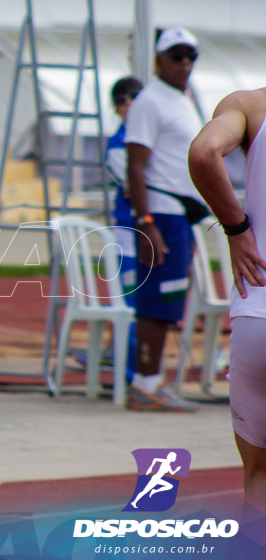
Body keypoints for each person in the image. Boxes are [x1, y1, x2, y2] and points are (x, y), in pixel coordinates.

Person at [188, 87, 266, 512]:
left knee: (258, 475)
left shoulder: (249, 104)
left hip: (259, 311)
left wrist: (237, 231)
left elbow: (203, 152)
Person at [125, 27, 206, 412]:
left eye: (191, 55)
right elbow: (135, 166)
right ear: (159, 60)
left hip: (178, 214)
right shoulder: (150, 101)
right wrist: (146, 220)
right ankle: (145, 385)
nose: (185, 62)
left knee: (170, 298)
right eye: (177, 55)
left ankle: (152, 381)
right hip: (161, 214)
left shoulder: (182, 98)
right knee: (156, 301)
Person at [102, 76, 143, 381]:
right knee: (130, 304)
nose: (129, 103)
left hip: (156, 233)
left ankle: (139, 371)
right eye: (121, 99)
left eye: (135, 95)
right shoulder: (118, 144)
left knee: (153, 306)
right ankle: (129, 374)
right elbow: (137, 185)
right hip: (130, 237)